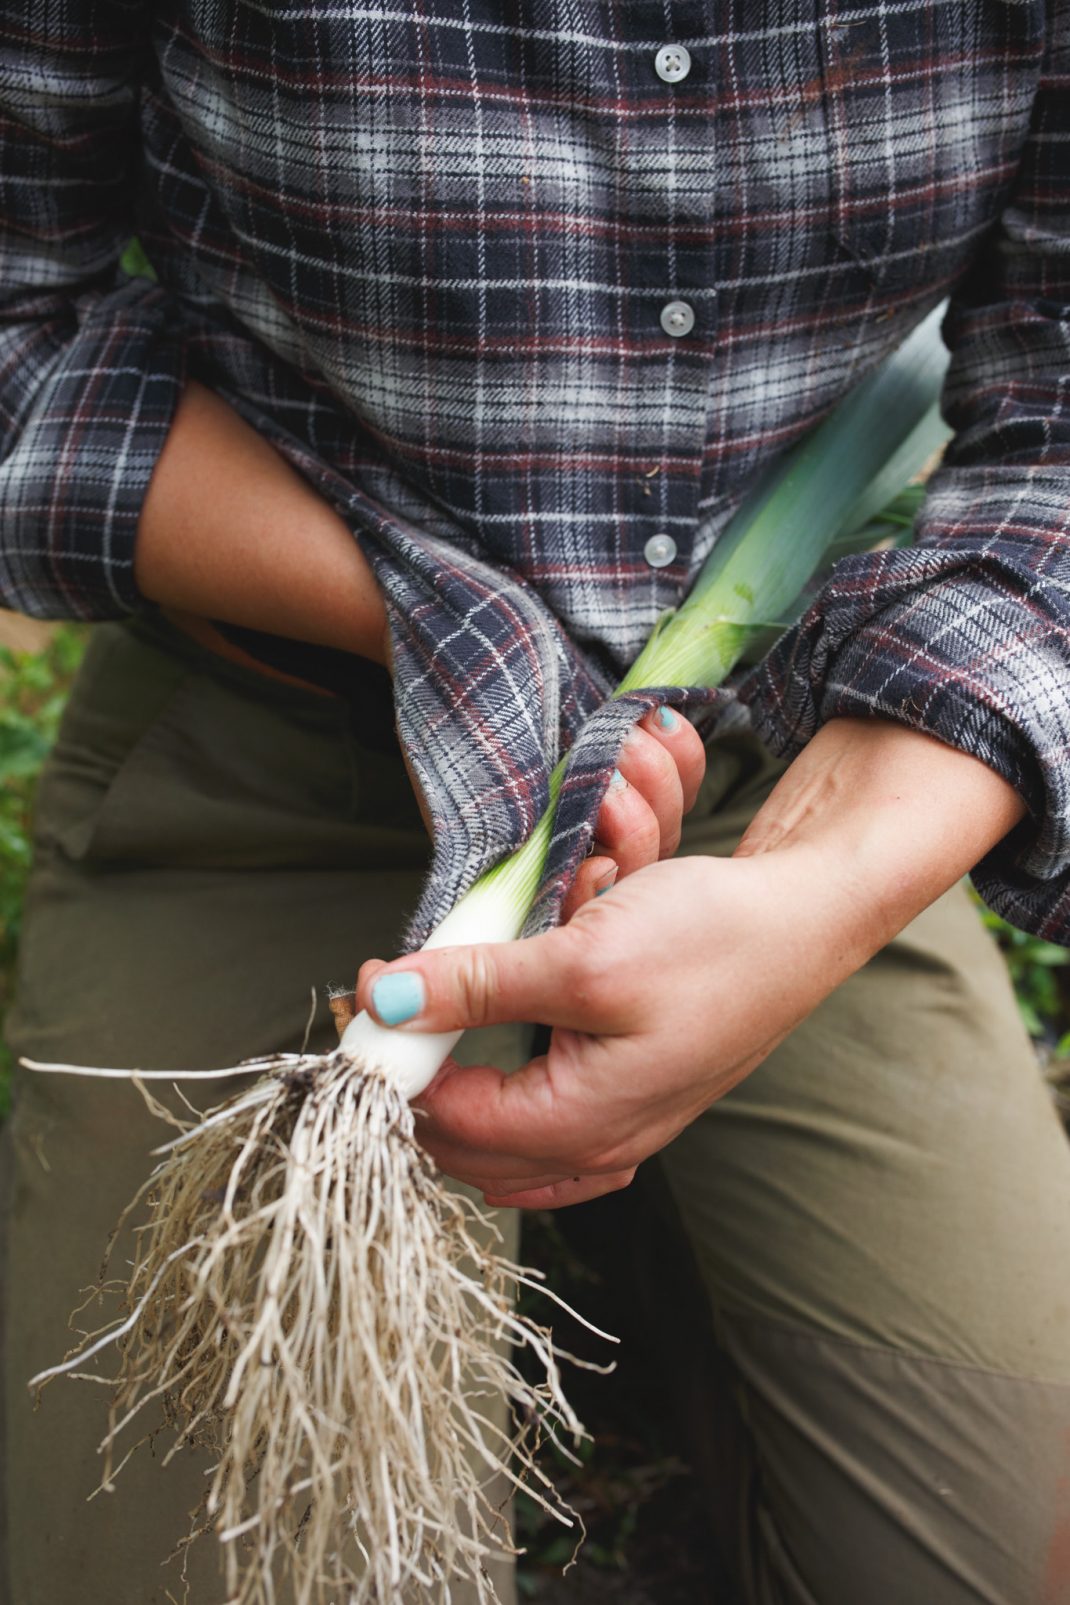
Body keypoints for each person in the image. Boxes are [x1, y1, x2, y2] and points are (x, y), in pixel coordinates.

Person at [1, 3, 1069, 1602]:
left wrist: (819, 898)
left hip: (774, 778)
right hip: (284, 729)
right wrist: (483, 639)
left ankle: (670, 1247)